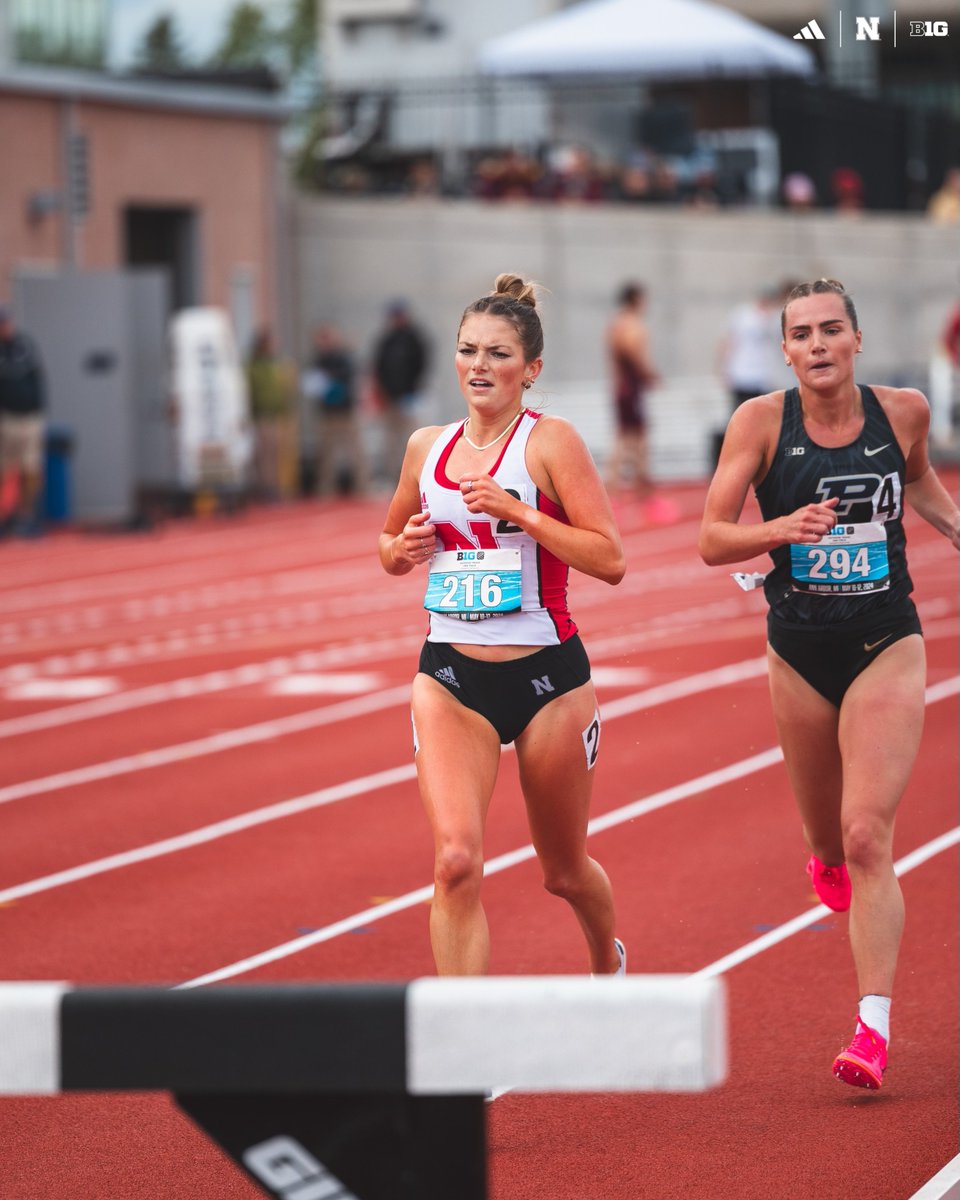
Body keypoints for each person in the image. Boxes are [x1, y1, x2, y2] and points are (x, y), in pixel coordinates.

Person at [698, 278, 960, 1091]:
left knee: (865, 835)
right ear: (783, 351)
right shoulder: (758, 423)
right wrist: (781, 527)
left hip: (886, 637)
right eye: (801, 334)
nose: (816, 345)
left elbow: (916, 478)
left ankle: (872, 1030)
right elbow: (712, 537)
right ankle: (826, 862)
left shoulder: (904, 412)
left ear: (856, 340)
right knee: (826, 843)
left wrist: (953, 526)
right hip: (798, 652)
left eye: (830, 330)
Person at [378, 272, 627, 978]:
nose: (479, 366)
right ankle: (467, 1044)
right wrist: (405, 550)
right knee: (456, 862)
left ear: (531, 370)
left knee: (565, 871)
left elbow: (610, 559)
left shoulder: (551, 443)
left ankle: (605, 962)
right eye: (468, 351)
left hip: (549, 679)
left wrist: (520, 513)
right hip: (451, 678)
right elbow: (389, 545)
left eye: (497, 353)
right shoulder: (428, 447)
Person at [604, 282, 659, 500]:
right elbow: (632, 351)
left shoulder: (616, 323)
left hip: (622, 386)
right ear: (636, 299)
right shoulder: (631, 324)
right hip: (631, 386)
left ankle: (625, 486)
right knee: (636, 438)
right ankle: (640, 489)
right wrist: (648, 374)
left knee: (627, 436)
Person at [304, 323, 368, 497]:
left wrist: (331, 379)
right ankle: (326, 487)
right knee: (326, 452)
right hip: (327, 412)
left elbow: (350, 377)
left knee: (354, 450)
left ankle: (362, 485)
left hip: (345, 411)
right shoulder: (318, 359)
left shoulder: (343, 357)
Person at [371, 300, 429, 486]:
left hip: (410, 397)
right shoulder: (387, 340)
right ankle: (393, 476)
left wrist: (414, 389)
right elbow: (378, 368)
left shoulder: (414, 338)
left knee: (413, 436)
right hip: (390, 399)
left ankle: (418, 475)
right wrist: (383, 393)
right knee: (390, 440)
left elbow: (421, 364)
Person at [0, 306, 46, 537]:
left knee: (31, 469)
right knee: (5, 469)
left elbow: (38, 378)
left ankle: (26, 516)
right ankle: (4, 516)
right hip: (6, 419)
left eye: (6, 322)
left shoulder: (25, 346)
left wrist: (38, 408)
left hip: (29, 418)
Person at [246, 326, 298, 501]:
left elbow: (283, 389)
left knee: (275, 453)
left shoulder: (277, 364)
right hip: (262, 415)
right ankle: (265, 487)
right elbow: (252, 391)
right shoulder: (254, 366)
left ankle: (274, 486)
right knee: (264, 455)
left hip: (276, 415)